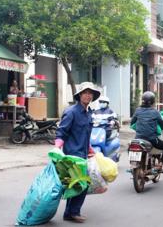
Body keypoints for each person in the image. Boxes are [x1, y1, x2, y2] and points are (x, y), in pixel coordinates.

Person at [54, 82, 100, 223]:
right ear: (79, 95)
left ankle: (69, 213)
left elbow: (85, 135)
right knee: (83, 183)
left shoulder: (88, 113)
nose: (88, 95)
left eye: (90, 93)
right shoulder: (71, 112)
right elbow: (61, 132)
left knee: (76, 184)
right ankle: (73, 212)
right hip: (72, 155)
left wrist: (91, 150)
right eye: (85, 92)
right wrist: (57, 148)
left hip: (83, 153)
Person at [131, 91, 163, 171]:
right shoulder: (155, 112)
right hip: (151, 139)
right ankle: (160, 165)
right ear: (153, 102)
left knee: (131, 147)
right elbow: (162, 124)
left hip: (138, 138)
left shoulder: (138, 110)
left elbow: (132, 122)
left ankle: (133, 163)